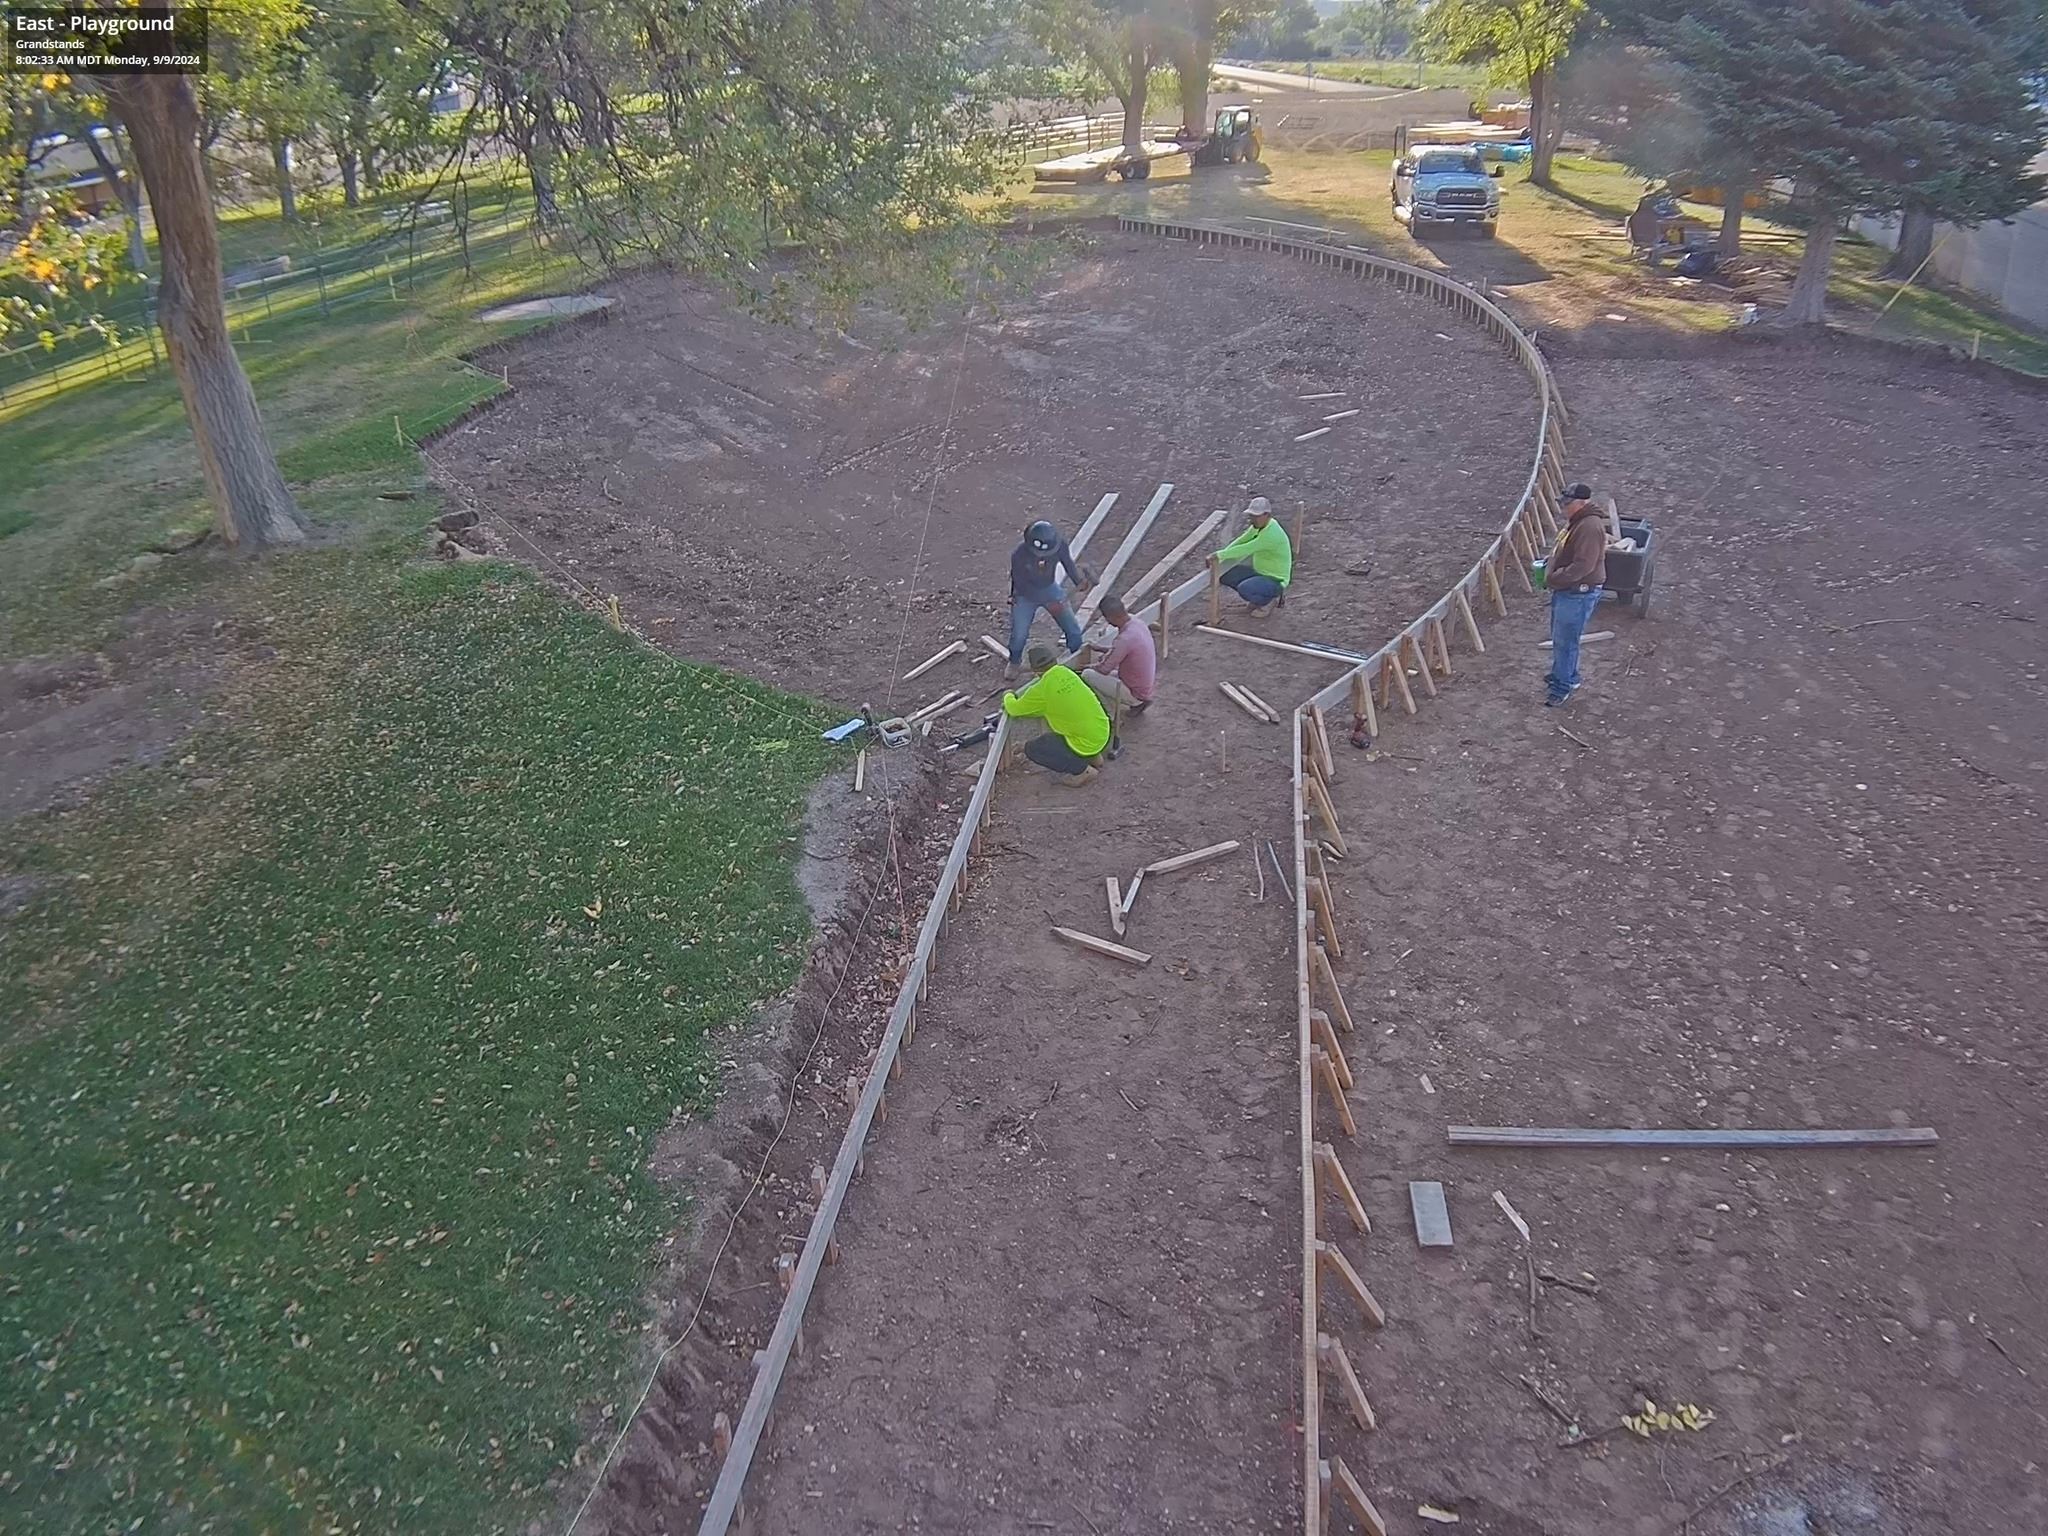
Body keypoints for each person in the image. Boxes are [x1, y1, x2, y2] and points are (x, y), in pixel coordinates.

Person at [1002, 641, 1111, 786]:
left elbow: (1014, 709)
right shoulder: (1067, 672)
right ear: (1055, 661)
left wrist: (1008, 695)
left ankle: (1082, 770)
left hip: (1085, 741)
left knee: (1035, 749)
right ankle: (1094, 757)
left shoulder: (1041, 689)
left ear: (1035, 671)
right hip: (1102, 730)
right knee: (1076, 724)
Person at [1543, 482, 1607, 708]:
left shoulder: (1589, 527)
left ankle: (1562, 688)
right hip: (1570, 590)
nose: (1563, 508)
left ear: (1581, 503)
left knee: (1565, 641)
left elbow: (1583, 565)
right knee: (1562, 638)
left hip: (1577, 592)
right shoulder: (1579, 521)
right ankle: (1567, 675)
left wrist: (1555, 577)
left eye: (1567, 504)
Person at [1006, 519, 1089, 679]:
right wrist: (1051, 604)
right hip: (1024, 594)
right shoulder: (1019, 555)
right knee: (1019, 635)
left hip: (1049, 588)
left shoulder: (1059, 545)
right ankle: (1014, 662)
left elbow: (1068, 563)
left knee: (1073, 629)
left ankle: (1078, 658)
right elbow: (1021, 584)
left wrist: (1078, 580)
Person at [1208, 496, 1292, 615]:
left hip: (1275, 580)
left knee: (1245, 588)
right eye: (1251, 516)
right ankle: (1257, 598)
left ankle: (1268, 601)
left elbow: (1246, 548)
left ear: (1267, 515)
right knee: (1224, 573)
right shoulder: (1260, 526)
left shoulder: (1272, 534)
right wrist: (1223, 555)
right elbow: (1242, 540)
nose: (1253, 520)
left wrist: (1218, 555)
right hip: (1260, 572)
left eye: (1256, 516)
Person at [1079, 594, 1156, 715]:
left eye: (1107, 618)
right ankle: (1137, 701)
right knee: (1104, 670)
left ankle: (1111, 714)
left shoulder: (1124, 639)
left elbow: (1104, 669)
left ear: (1111, 617)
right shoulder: (1137, 623)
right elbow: (1121, 651)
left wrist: (1087, 667)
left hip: (1136, 691)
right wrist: (1099, 648)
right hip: (1143, 685)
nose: (1108, 622)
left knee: (1087, 675)